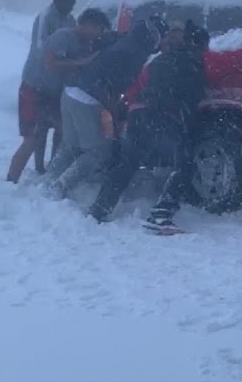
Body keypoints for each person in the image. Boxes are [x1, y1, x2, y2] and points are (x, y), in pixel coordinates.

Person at [88, 21, 210, 227]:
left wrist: (123, 113)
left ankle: (99, 209)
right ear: (200, 47)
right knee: (184, 163)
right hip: (163, 118)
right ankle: (161, 214)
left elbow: (136, 87)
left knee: (127, 163)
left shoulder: (160, 61)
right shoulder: (194, 67)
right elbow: (192, 101)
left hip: (139, 115)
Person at [42, 19, 162, 200]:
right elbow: (123, 86)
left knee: (72, 143)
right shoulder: (136, 54)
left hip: (70, 92)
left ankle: (48, 179)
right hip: (88, 99)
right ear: (152, 39)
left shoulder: (123, 41)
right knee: (99, 151)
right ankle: (61, 185)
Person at [7, 8, 110, 183]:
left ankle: (47, 171)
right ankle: (11, 181)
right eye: (99, 29)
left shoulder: (86, 43)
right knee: (32, 138)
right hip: (34, 89)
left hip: (55, 93)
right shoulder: (63, 36)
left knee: (63, 132)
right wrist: (82, 62)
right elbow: (49, 63)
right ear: (88, 25)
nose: (99, 34)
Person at [7, 0, 77, 182]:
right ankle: (22, 174)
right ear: (56, 1)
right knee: (35, 133)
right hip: (35, 83)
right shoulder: (45, 17)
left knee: (61, 129)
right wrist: (63, 58)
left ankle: (53, 166)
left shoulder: (71, 19)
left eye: (72, 5)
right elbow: (41, 50)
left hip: (56, 85)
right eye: (66, 5)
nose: (70, 9)